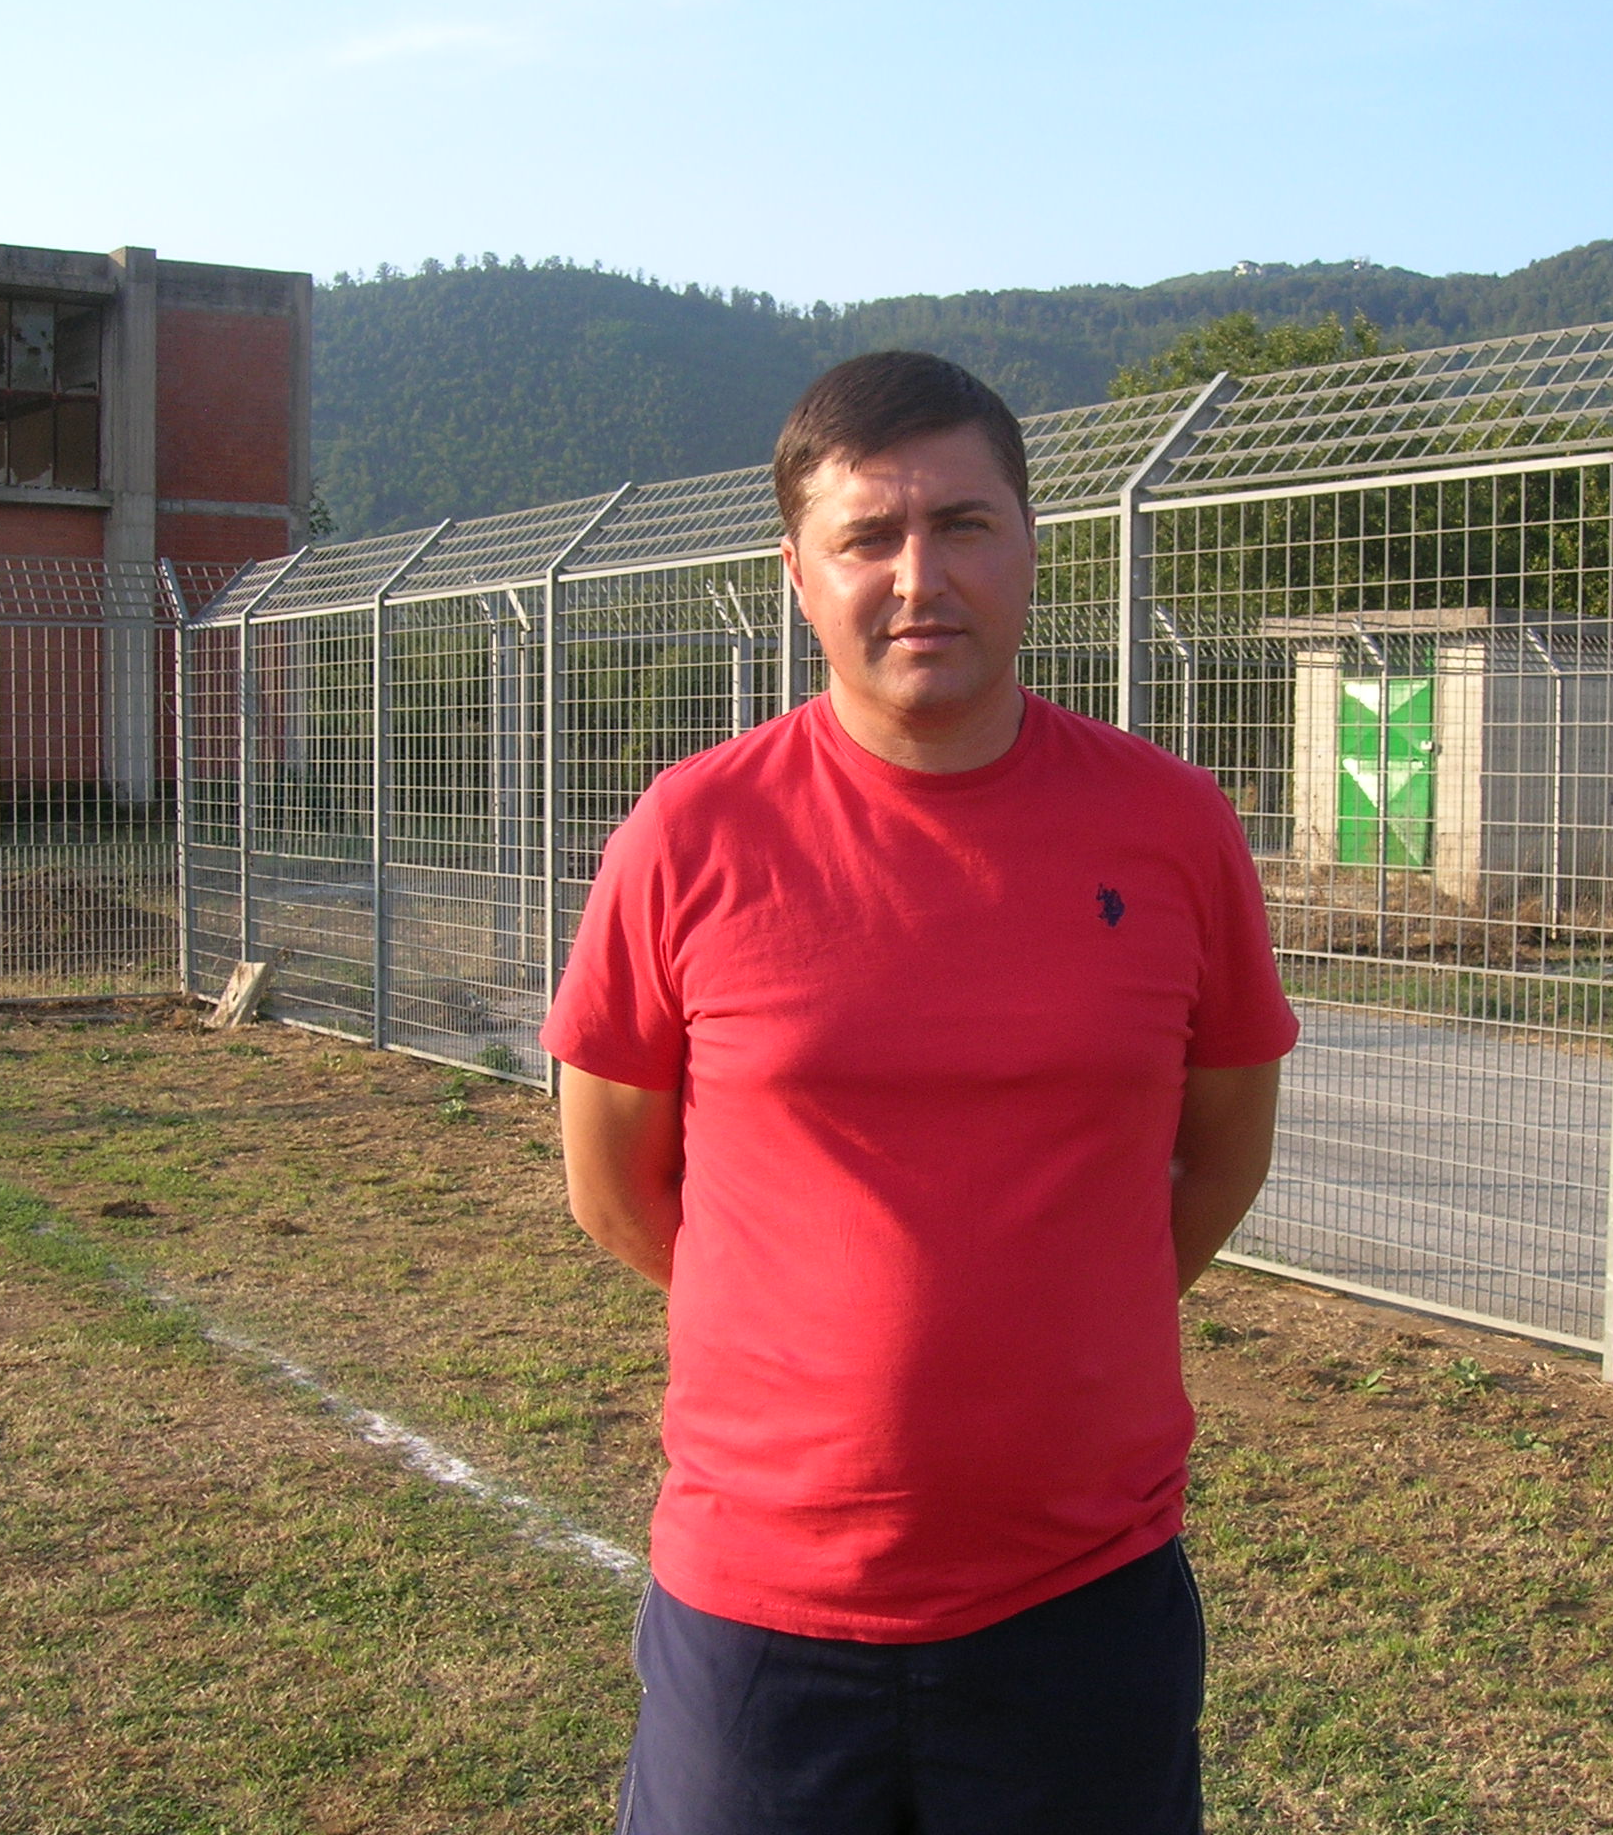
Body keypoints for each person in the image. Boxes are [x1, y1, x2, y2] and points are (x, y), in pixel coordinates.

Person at [542, 350, 1298, 1834]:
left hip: (1081, 1597)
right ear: (798, 575)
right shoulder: (691, 833)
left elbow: (1221, 1158)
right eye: (867, 537)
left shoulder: (1171, 826)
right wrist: (809, 1342)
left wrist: (1060, 1325)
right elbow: (612, 1184)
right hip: (762, 1607)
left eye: (962, 525)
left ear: (1030, 544)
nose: (918, 578)